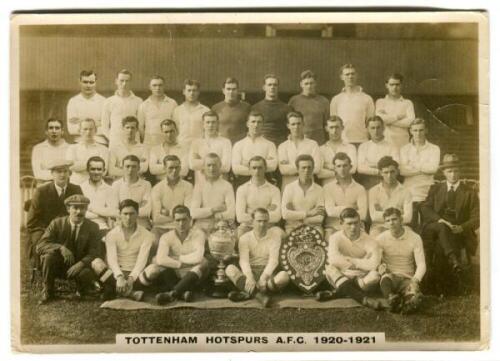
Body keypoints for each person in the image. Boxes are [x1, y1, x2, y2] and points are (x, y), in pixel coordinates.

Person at [420, 154, 479, 294]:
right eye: (449, 171)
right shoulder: (436, 188)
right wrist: (439, 219)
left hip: (456, 231)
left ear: (460, 171)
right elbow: (425, 207)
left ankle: (439, 288)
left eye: (456, 171)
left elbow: (477, 217)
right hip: (435, 227)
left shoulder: (469, 192)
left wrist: (462, 227)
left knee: (441, 248)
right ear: (444, 173)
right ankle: (452, 265)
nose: (453, 174)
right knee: (441, 228)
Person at [36, 195, 102, 304]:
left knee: (86, 274)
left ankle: (82, 291)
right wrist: (61, 248)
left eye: (83, 208)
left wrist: (81, 263)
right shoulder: (57, 223)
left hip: (80, 266)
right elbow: (41, 245)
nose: (79, 211)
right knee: (48, 258)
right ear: (68, 209)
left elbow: (95, 251)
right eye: (75, 208)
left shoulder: (93, 227)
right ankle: (48, 291)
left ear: (86, 210)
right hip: (60, 264)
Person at [141, 205, 208, 304]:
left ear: (190, 220)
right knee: (155, 266)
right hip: (173, 272)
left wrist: (176, 258)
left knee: (203, 263)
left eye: (184, 220)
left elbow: (198, 256)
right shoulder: (166, 236)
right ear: (173, 221)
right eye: (178, 220)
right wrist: (181, 264)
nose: (181, 224)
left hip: (191, 274)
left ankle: (171, 294)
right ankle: (182, 292)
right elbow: (160, 259)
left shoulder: (199, 234)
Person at [317, 208, 382, 310]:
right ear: (341, 223)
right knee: (329, 269)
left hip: (361, 277)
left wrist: (353, 261)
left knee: (375, 276)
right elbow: (333, 259)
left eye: (356, 223)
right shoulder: (335, 237)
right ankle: (363, 299)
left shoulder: (369, 240)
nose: (353, 227)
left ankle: (339, 292)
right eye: (349, 224)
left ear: (360, 222)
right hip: (343, 274)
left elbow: (374, 264)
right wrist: (361, 263)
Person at [27, 159, 83, 275]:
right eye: (58, 171)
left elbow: (80, 214)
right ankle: (42, 272)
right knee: (39, 239)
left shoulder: (76, 189)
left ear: (70, 173)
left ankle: (78, 273)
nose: (62, 175)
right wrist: (48, 231)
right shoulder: (41, 191)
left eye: (65, 171)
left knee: (84, 239)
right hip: (45, 229)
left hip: (68, 228)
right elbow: (32, 221)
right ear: (52, 174)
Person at [225, 208, 289, 307]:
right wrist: (249, 277)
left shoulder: (275, 237)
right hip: (251, 271)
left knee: (284, 276)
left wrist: (264, 277)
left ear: (268, 222)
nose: (262, 224)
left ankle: (250, 293)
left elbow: (273, 261)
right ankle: (260, 296)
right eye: (259, 221)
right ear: (252, 222)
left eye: (265, 221)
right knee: (229, 269)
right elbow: (244, 261)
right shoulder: (244, 238)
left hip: (267, 273)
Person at [96, 199, 155, 301]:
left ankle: (117, 290)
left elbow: (142, 260)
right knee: (96, 263)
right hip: (115, 275)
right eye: (125, 214)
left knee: (154, 269)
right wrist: (119, 277)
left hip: (136, 276)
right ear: (120, 214)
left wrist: (132, 278)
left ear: (137, 214)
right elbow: (112, 260)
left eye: (132, 214)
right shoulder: (112, 234)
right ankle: (130, 294)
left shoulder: (147, 235)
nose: (128, 218)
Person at [376, 208, 426, 313]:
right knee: (385, 279)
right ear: (385, 223)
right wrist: (380, 267)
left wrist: (416, 280)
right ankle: (392, 299)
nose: (391, 223)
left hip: (407, 277)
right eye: (388, 220)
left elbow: (421, 264)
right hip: (390, 276)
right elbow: (376, 260)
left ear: (401, 220)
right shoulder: (381, 238)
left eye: (394, 219)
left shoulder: (415, 238)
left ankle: (409, 303)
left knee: (412, 294)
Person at [399, 118, 441, 229]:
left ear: (426, 130)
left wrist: (412, 165)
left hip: (427, 189)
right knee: (410, 223)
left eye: (421, 130)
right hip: (409, 189)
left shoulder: (434, 149)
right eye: (415, 130)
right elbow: (403, 171)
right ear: (410, 131)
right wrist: (423, 167)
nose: (418, 133)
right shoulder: (404, 149)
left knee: (427, 224)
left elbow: (433, 169)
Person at [323, 152, 368, 240]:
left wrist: (338, 208)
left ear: (350, 167)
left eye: (345, 165)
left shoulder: (360, 188)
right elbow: (330, 212)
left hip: (355, 227)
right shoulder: (328, 188)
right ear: (334, 168)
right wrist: (351, 208)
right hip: (333, 227)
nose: (342, 169)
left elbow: (363, 215)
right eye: (339, 166)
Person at [151, 155, 193, 245]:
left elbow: (188, 214)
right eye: (170, 168)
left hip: (181, 228)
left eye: (177, 167)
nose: (174, 171)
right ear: (164, 168)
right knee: (153, 242)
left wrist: (167, 213)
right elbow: (156, 218)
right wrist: (178, 217)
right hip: (161, 228)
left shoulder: (188, 186)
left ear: (180, 168)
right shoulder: (157, 188)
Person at [235, 156, 281, 238]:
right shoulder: (242, 189)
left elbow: (277, 216)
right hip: (248, 227)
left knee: (279, 233)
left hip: (268, 227)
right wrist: (266, 213)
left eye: (260, 168)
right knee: (239, 234)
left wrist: (252, 215)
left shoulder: (274, 190)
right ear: (249, 169)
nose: (257, 171)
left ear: (265, 169)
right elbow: (240, 217)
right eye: (254, 168)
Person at [330, 64, 375, 145]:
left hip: (362, 141)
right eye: (347, 74)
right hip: (343, 142)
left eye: (352, 74)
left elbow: (371, 122)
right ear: (341, 77)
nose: (350, 76)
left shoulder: (367, 98)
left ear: (356, 75)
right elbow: (333, 123)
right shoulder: (336, 99)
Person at [190, 153, 235, 234]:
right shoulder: (199, 186)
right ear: (204, 166)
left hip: (221, 224)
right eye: (209, 165)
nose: (211, 168)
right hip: (201, 225)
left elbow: (231, 214)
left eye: (214, 165)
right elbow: (193, 213)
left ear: (220, 165)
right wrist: (214, 210)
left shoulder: (227, 186)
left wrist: (208, 214)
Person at [231, 111, 278, 187]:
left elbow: (273, 166)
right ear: (247, 124)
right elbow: (236, 168)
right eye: (253, 122)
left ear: (262, 124)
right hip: (243, 183)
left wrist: (246, 163)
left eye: (259, 122)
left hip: (264, 183)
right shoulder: (238, 145)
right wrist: (262, 165)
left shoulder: (270, 144)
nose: (256, 125)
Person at [368, 156, 412, 237]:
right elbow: (374, 216)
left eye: (392, 172)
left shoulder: (406, 191)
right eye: (386, 172)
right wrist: (398, 216)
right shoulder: (373, 191)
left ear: (397, 172)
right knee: (374, 238)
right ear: (380, 172)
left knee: (409, 236)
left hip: (401, 226)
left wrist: (382, 214)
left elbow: (408, 218)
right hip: (379, 227)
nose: (389, 175)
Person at [282, 154, 325, 235]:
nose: (306, 170)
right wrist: (309, 213)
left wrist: (298, 217)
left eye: (309, 167)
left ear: (313, 169)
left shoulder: (319, 189)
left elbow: (320, 217)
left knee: (319, 235)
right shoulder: (289, 188)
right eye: (303, 167)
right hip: (292, 227)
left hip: (314, 227)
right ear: (297, 169)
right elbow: (285, 214)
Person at [278, 111, 321, 189]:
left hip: (308, 187)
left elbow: (317, 168)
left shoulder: (313, 144)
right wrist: (307, 168)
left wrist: (291, 168)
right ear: (288, 126)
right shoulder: (283, 146)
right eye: (293, 124)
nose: (296, 127)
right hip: (288, 186)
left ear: (303, 124)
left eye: (299, 123)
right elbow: (283, 170)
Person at [101, 69, 142, 146]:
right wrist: (113, 139)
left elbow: (140, 125)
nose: (124, 84)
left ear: (131, 82)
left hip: (134, 142)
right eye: (121, 80)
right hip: (115, 143)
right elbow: (104, 126)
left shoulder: (138, 101)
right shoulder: (109, 101)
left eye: (127, 81)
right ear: (116, 81)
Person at [288, 70, 330, 144]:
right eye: (306, 83)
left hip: (319, 140)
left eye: (311, 83)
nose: (309, 86)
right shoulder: (294, 101)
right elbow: (289, 122)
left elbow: (327, 124)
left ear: (315, 84)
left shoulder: (323, 101)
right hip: (300, 139)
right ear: (301, 84)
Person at [189, 110, 232, 184]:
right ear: (203, 124)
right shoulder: (196, 142)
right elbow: (192, 165)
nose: (210, 125)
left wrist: (201, 162)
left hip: (220, 184)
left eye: (213, 122)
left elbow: (226, 167)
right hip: (201, 184)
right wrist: (217, 163)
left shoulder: (225, 142)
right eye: (208, 122)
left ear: (218, 124)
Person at [357, 116, 399, 190]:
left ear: (383, 128)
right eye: (372, 128)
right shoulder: (363, 146)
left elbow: (395, 165)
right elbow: (360, 168)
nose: (376, 131)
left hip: (387, 181)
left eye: (378, 127)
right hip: (369, 182)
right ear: (368, 129)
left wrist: (370, 165)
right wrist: (381, 170)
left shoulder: (392, 146)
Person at [110, 155, 152, 229]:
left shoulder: (146, 184)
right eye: (127, 166)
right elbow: (114, 210)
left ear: (139, 168)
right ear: (122, 167)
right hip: (121, 225)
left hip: (141, 225)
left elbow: (147, 211)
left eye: (134, 166)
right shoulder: (116, 185)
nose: (130, 170)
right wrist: (138, 207)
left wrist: (124, 211)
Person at [375, 73, 415, 149]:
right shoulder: (380, 102)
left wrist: (388, 120)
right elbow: (380, 119)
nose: (395, 87)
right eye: (392, 84)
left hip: (403, 142)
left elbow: (410, 122)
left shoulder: (408, 103)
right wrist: (397, 117)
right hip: (385, 141)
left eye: (397, 84)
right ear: (386, 85)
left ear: (401, 85)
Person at [251, 74, 293, 146]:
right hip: (262, 144)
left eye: (275, 85)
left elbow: (291, 129)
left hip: (281, 144)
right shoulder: (256, 108)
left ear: (278, 87)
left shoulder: (287, 108)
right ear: (264, 87)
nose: (272, 87)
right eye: (269, 85)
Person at [66, 70, 106, 144]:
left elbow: (106, 129)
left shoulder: (104, 102)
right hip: (79, 143)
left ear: (96, 83)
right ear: (79, 82)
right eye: (85, 82)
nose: (88, 85)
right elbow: (71, 129)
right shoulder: (73, 101)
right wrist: (97, 123)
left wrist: (80, 121)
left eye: (91, 82)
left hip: (100, 143)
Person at [80, 156, 116, 238]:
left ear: (104, 170)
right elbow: (81, 213)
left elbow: (112, 212)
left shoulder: (110, 190)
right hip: (84, 228)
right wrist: (102, 214)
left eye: (99, 169)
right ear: (87, 170)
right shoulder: (80, 188)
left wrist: (90, 208)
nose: (96, 172)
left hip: (103, 229)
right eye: (93, 169)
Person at [138, 75, 178, 147]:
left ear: (164, 86)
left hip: (168, 143)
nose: (158, 88)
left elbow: (176, 124)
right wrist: (148, 140)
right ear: (150, 87)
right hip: (150, 144)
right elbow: (140, 127)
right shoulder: (143, 105)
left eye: (160, 85)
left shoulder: (172, 103)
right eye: (154, 85)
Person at [65, 118, 109, 185]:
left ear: (96, 131)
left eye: (91, 129)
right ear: (79, 131)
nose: (88, 132)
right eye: (85, 129)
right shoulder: (72, 148)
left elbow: (103, 171)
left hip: (95, 186)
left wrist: (80, 165)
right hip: (77, 186)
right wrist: (94, 165)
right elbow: (71, 167)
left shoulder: (103, 149)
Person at [318, 116, 357, 185]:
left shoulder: (350, 148)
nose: (334, 131)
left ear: (342, 128)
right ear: (326, 129)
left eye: (337, 127)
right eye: (331, 127)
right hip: (327, 188)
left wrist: (328, 166)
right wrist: (343, 169)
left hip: (347, 187)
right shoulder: (321, 149)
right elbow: (320, 173)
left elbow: (353, 169)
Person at [211, 77, 251, 144]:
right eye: (228, 89)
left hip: (240, 145)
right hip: (221, 145)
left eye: (234, 89)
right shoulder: (215, 108)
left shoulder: (246, 107)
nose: (231, 92)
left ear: (238, 90)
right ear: (223, 90)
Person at [173, 79, 210, 147]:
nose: (192, 93)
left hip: (199, 146)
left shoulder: (205, 110)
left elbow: (207, 131)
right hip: (181, 146)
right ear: (184, 92)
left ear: (198, 92)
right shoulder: (177, 110)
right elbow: (175, 131)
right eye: (189, 90)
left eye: (194, 90)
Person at [31, 118, 69, 182]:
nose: (54, 131)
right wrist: (62, 173)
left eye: (57, 128)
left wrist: (48, 167)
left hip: (65, 186)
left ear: (62, 131)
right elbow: (37, 174)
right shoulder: (38, 149)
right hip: (44, 186)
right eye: (51, 128)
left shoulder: (70, 148)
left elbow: (72, 173)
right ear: (46, 132)